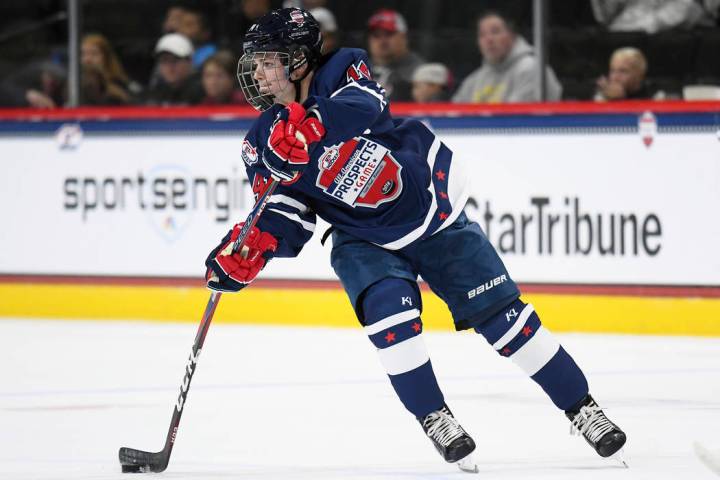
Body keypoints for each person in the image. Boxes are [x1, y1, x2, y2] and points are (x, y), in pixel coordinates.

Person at [206, 7, 628, 471]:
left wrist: (314, 124)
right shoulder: (259, 140)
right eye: (257, 63)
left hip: (428, 206)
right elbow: (288, 208)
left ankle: (583, 408)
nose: (259, 74)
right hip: (360, 235)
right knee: (390, 318)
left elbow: (366, 104)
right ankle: (435, 417)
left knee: (506, 321)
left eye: (269, 61)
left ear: (301, 59)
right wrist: (255, 247)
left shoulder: (346, 67)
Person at [452, 11, 562, 103]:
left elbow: (516, 119)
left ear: (512, 36)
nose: (489, 39)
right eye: (482, 34)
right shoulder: (474, 80)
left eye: (495, 31)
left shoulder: (531, 69)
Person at [366, 8, 424, 102]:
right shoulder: (359, 70)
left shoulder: (419, 71)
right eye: (376, 35)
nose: (382, 41)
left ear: (404, 37)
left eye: (388, 34)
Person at [144, 33, 204, 106]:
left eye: (175, 60)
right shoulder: (156, 92)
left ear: (190, 61)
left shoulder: (203, 92)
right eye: (164, 60)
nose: (169, 66)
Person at [81, 33, 140, 101]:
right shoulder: (73, 84)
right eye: (83, 54)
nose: (88, 60)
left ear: (106, 57)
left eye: (94, 54)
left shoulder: (120, 84)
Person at [594, 47, 663, 101]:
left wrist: (622, 100)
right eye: (613, 71)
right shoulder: (603, 95)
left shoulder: (655, 97)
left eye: (623, 71)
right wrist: (608, 100)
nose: (615, 77)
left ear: (639, 73)